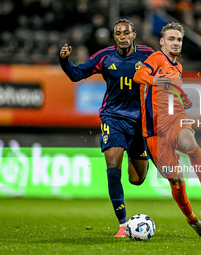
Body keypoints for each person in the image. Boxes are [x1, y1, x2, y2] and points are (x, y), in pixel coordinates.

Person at [59, 19, 154, 238]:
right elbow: (76, 74)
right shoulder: (104, 56)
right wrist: (64, 61)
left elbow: (168, 71)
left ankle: (137, 154)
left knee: (137, 179)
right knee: (113, 165)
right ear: (115, 37)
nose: (122, 36)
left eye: (126, 32)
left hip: (140, 123)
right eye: (118, 33)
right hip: (113, 118)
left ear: (134, 35)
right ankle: (122, 224)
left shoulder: (148, 55)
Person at [133, 22, 201, 238]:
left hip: (175, 119)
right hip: (155, 129)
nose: (175, 43)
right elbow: (138, 76)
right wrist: (152, 79)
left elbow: (172, 89)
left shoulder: (178, 66)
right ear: (162, 41)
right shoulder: (157, 58)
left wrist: (182, 97)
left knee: (189, 141)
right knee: (176, 180)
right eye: (171, 39)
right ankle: (193, 221)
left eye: (179, 40)